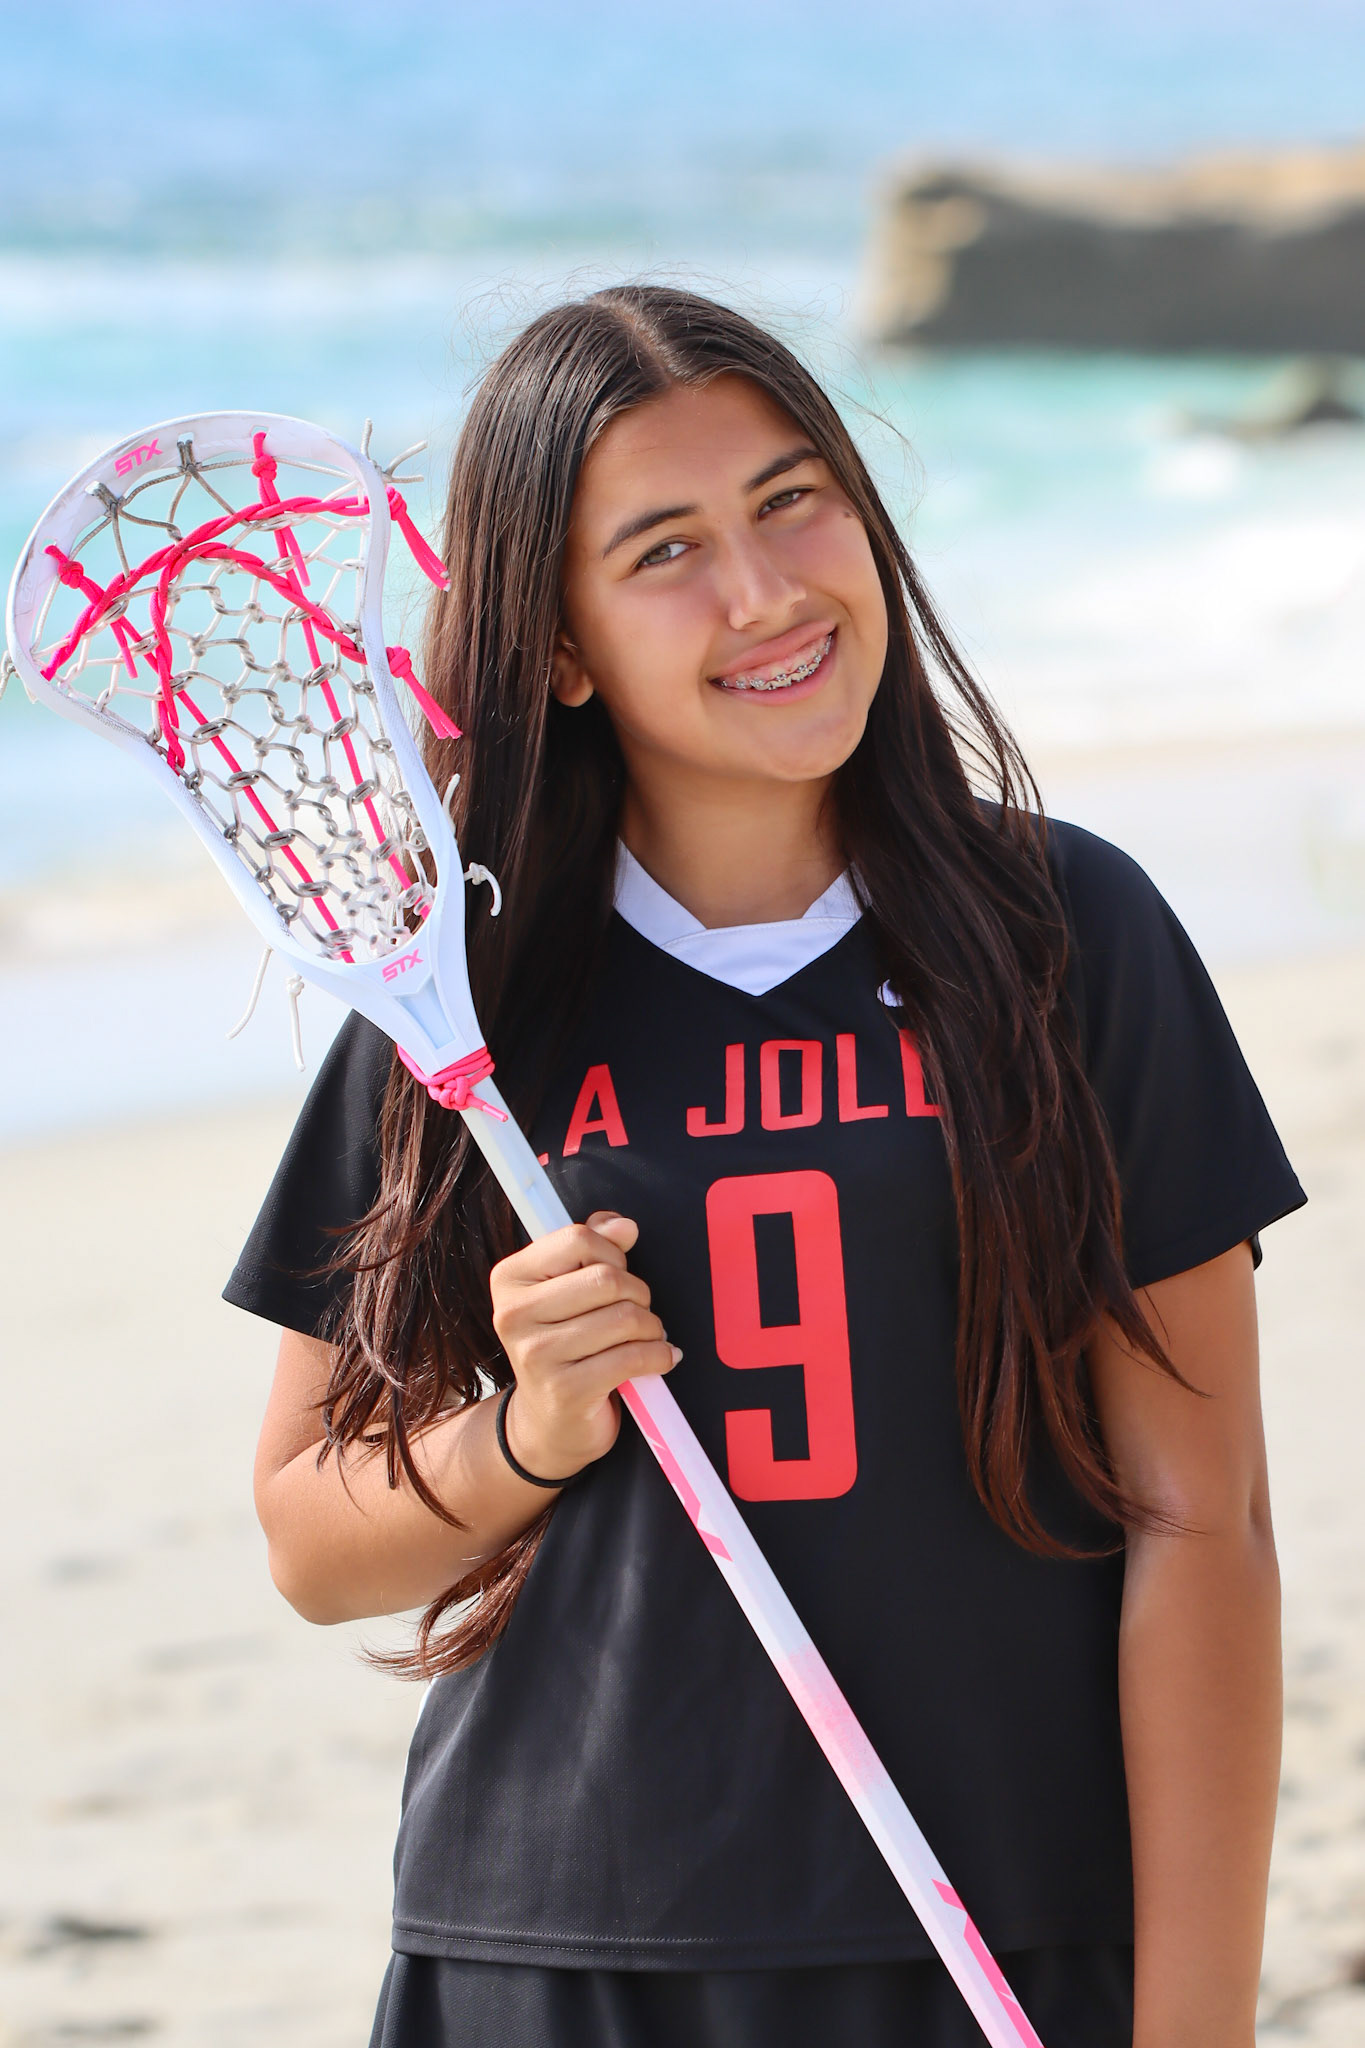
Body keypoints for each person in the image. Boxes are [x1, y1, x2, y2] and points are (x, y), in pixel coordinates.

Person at [226, 285, 1305, 2048]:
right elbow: (311, 1545)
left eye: (791, 501)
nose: (763, 593)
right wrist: (529, 1428)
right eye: (662, 550)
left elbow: (1202, 1520)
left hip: (999, 1930)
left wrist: (1192, 2029)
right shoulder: (453, 991)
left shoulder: (1063, 934)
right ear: (559, 647)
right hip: (554, 1944)